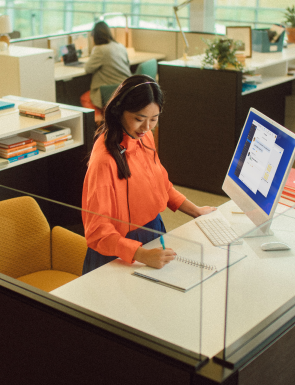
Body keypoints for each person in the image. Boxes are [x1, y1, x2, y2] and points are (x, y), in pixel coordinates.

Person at [81, 75, 216, 274]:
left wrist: (195, 210)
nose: (147, 128)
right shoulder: (104, 160)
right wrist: (141, 254)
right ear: (119, 111)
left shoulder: (145, 137)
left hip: (152, 233)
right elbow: (97, 232)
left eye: (154, 119)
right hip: (119, 250)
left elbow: (161, 183)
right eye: (139, 119)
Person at [79, 21, 132, 122]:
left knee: (85, 98)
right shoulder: (120, 46)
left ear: (95, 36)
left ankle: (100, 123)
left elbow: (88, 69)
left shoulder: (100, 49)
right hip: (126, 88)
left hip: (111, 90)